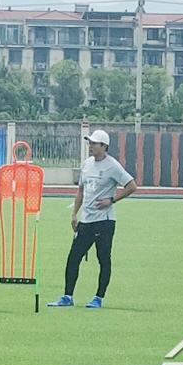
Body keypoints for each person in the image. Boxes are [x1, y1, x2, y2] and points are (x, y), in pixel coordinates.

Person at [48, 129, 137, 309]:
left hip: (105, 221)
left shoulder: (113, 166)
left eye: (94, 143)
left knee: (103, 258)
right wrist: (74, 213)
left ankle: (98, 297)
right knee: (73, 257)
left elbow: (131, 185)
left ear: (104, 146)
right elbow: (80, 190)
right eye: (90, 143)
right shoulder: (86, 164)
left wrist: (111, 200)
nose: (91, 146)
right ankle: (67, 296)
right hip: (86, 220)